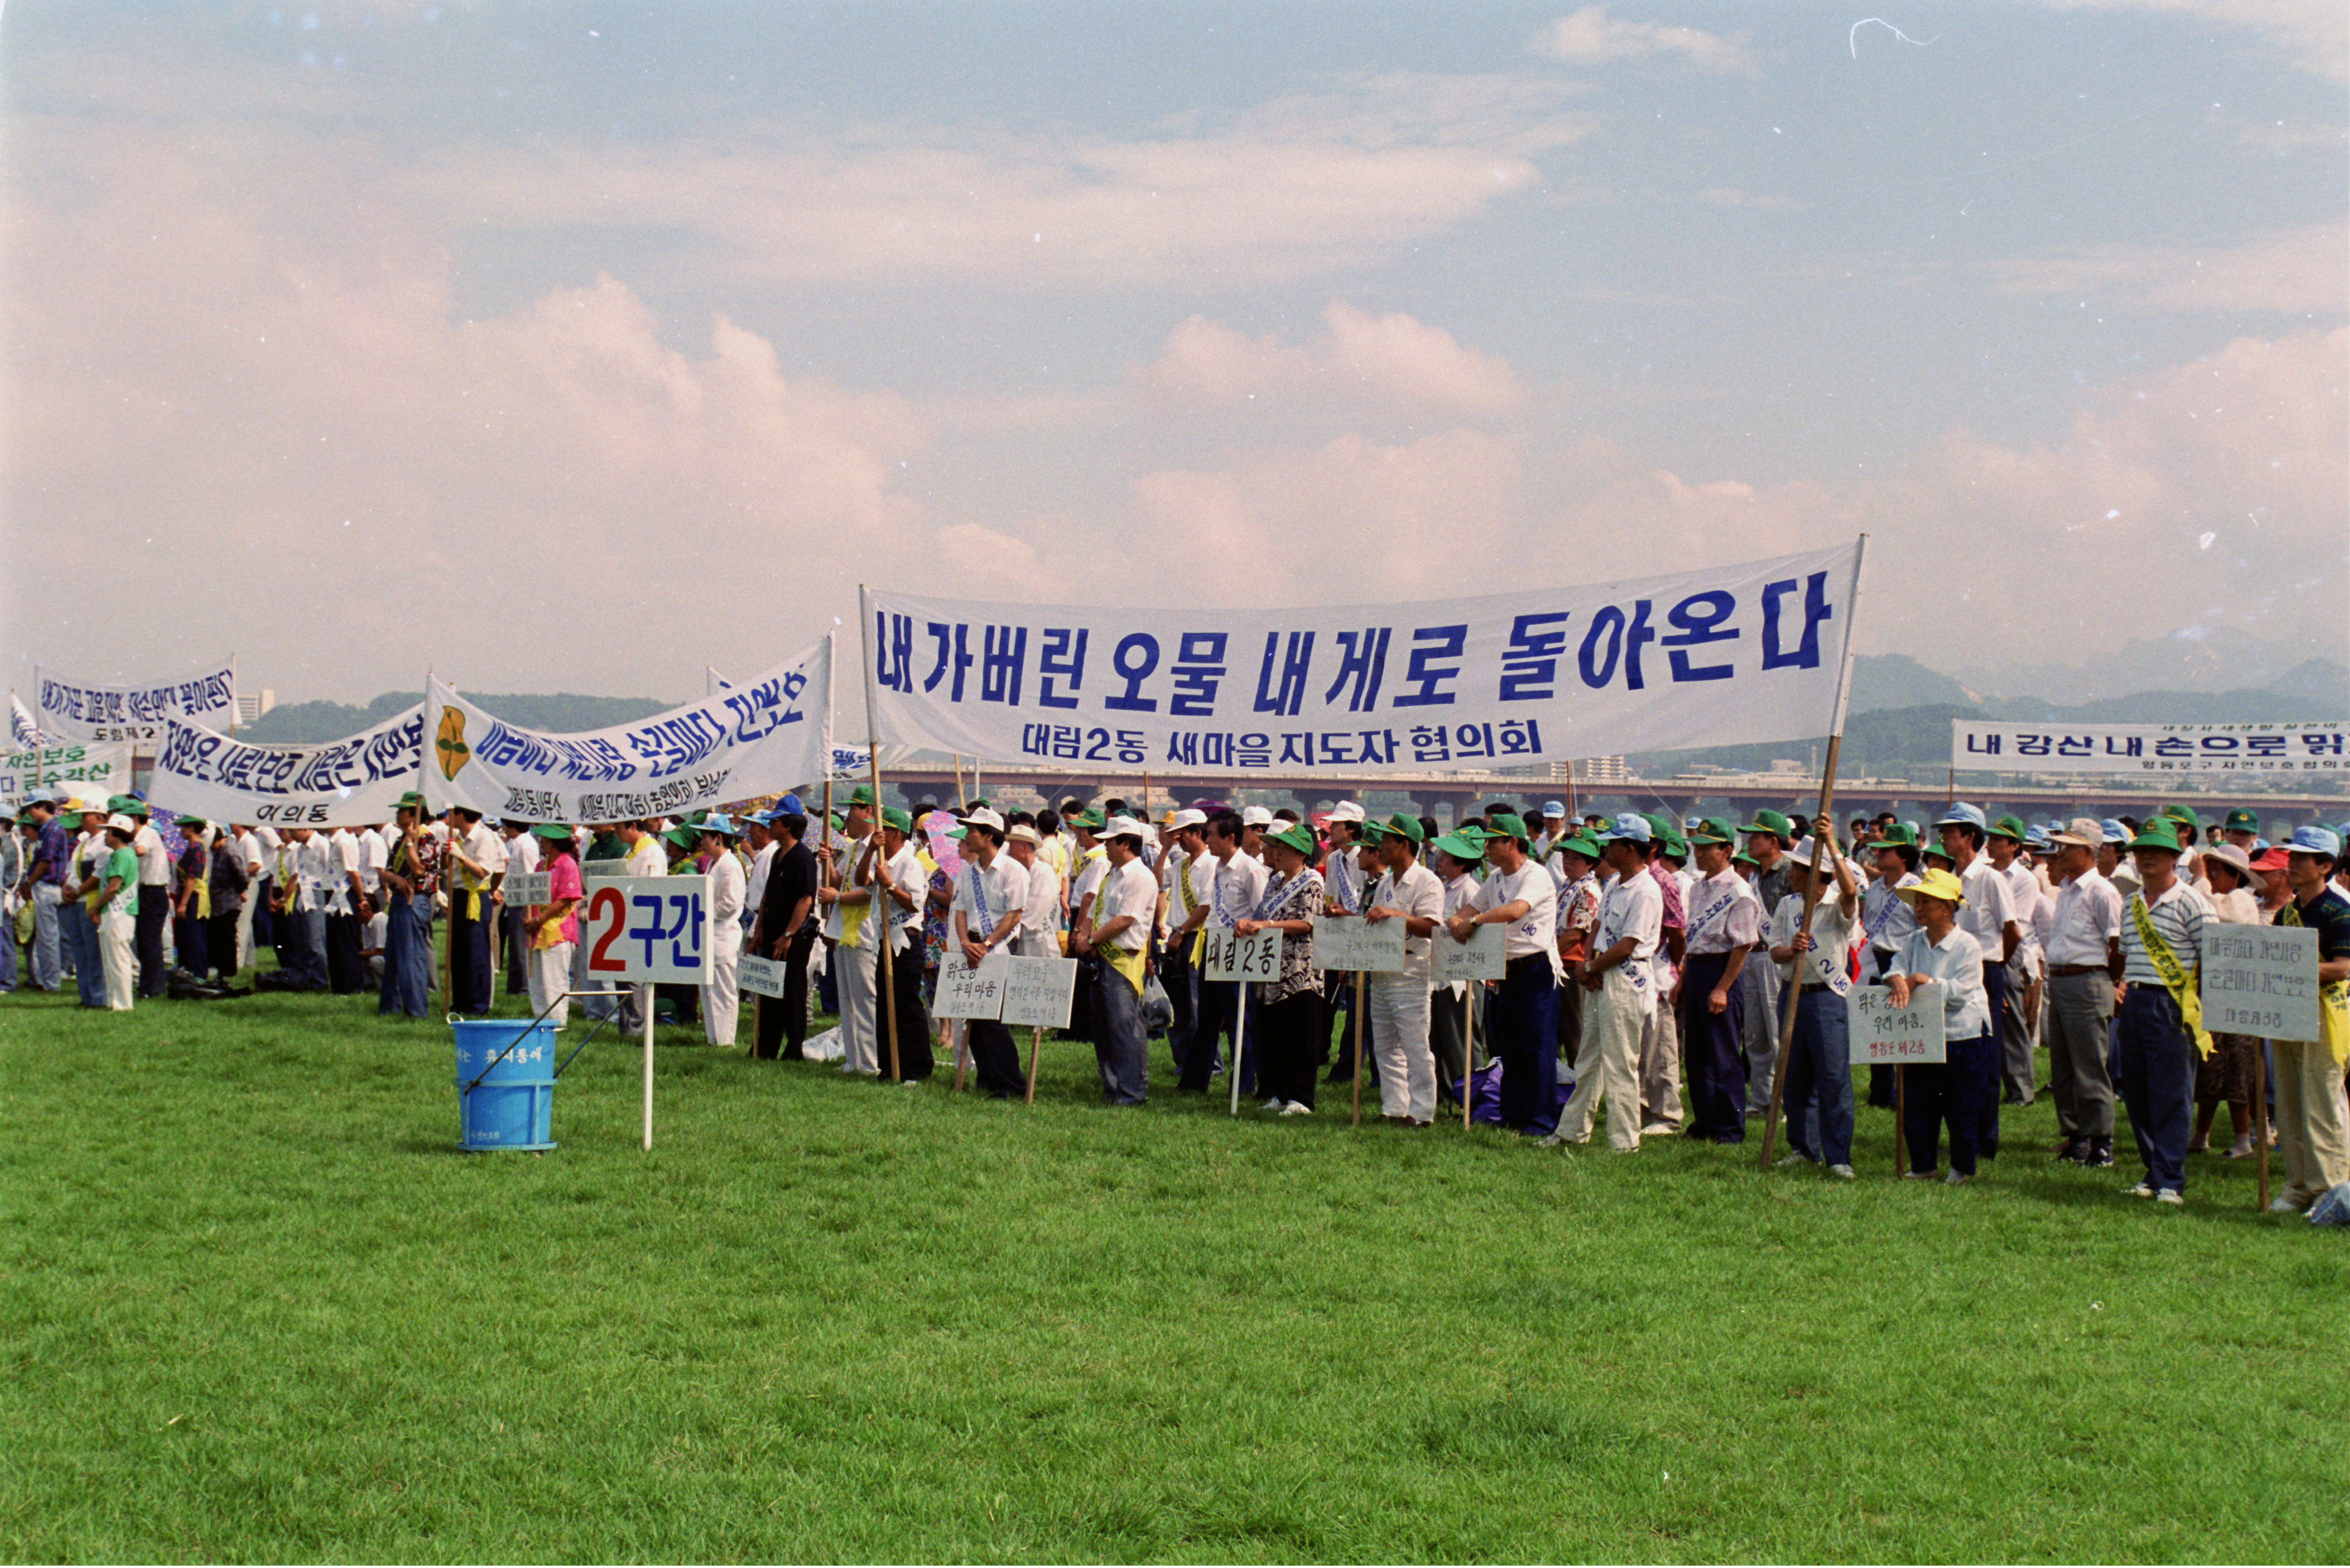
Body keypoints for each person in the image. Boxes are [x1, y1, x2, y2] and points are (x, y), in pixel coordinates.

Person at [1549, 814, 1661, 1152]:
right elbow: (1597, 927)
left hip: (1627, 978)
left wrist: (1591, 967)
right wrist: (1589, 965)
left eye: (1612, 843)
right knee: (1589, 1059)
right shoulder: (1613, 883)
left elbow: (1628, 944)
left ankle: (1624, 1141)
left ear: (1629, 849)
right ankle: (1571, 1131)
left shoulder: (1646, 890)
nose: (1606, 848)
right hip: (1600, 973)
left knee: (1621, 1062)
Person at [1448, 812, 1561, 1139]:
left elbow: (1514, 911)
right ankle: (1513, 1115)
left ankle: (1540, 1121)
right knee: (1510, 1047)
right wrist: (1458, 922)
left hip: (1536, 968)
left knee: (1538, 1049)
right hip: (1506, 969)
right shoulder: (1495, 878)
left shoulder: (1534, 875)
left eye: (1492, 842)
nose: (1487, 849)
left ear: (1511, 843)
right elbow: (1468, 909)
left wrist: (1475, 922)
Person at [2113, 818, 2204, 1205]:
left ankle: (2171, 1179)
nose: (2148, 857)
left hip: (2171, 1005)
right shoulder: (2131, 903)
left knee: (2171, 1095)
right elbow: (2125, 956)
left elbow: (2210, 958)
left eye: (2158, 851)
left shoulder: (2192, 901)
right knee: (2137, 1092)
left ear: (2175, 857)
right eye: (2141, 851)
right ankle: (2154, 1171)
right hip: (2134, 1002)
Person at [1766, 819, 1862, 1178]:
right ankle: (1803, 1148)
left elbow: (1852, 892)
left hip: (1826, 998)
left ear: (1814, 873)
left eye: (1798, 869)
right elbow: (1774, 952)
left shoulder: (1838, 904)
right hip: (1792, 993)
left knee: (1833, 1078)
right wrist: (1789, 950)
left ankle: (1838, 1156)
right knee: (1795, 1078)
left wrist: (1833, 845)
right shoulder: (1788, 906)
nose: (1791, 874)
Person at [1886, 868, 1994, 1183]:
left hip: (1963, 1036)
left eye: (1925, 902)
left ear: (1947, 908)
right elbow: (1896, 967)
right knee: (1919, 1104)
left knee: (1962, 1105)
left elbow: (1960, 993)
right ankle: (1923, 1165)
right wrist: (1896, 980)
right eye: (1917, 902)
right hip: (1922, 1034)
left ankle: (1960, 1168)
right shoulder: (1915, 941)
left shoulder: (1968, 945)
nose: (1917, 908)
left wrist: (1924, 980)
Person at [2268, 826, 2350, 1213]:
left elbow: (2342, 968)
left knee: (2322, 1103)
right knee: (2290, 1101)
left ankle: (2331, 1189)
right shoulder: (2287, 912)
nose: (2293, 864)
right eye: (2292, 857)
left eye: (2303, 858)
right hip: (2288, 1011)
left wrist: (2293, 966)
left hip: (2326, 1014)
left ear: (2326, 866)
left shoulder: (2340, 910)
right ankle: (2299, 1184)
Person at [1934, 804, 2020, 1159]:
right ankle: (1957, 1135)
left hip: (1985, 970)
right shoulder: (1949, 879)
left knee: (1983, 1059)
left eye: (1951, 832)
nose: (1944, 838)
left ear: (1970, 836)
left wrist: (1995, 972)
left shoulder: (1991, 879)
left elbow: (2011, 931)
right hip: (1950, 971)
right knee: (1949, 1054)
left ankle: (1984, 1141)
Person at [2040, 817, 2122, 1166]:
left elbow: (2116, 945)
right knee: (2063, 1067)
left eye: (2068, 847)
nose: (2061, 853)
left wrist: (2108, 982)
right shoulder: (2069, 890)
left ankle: (2101, 1141)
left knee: (2089, 1065)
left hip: (2087, 980)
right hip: (2061, 981)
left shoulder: (2102, 891)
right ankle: (2076, 1137)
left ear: (2088, 852)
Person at [1679, 817, 1761, 1143]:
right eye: (1696, 848)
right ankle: (1705, 1122)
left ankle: (1730, 1127)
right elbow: (1692, 939)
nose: (1699, 854)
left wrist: (1722, 988)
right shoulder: (1698, 887)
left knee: (1724, 1054)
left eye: (1706, 848)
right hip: (1698, 967)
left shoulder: (1738, 891)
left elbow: (1742, 945)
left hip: (1722, 970)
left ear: (1727, 850)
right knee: (1697, 1055)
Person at [1235, 821, 1326, 1114]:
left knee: (1298, 1035)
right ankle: (1279, 1092)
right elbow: (1262, 913)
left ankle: (1301, 1097)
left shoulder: (1312, 881)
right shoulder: (1275, 882)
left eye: (1284, 849)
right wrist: (1250, 924)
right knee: (1274, 1034)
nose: (1276, 854)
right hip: (1271, 969)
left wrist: (1269, 925)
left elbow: (1307, 922)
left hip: (1300, 971)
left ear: (1301, 853)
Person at [1361, 812, 1443, 1126]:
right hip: (1383, 968)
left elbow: (1432, 927)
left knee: (1416, 1045)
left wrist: (1394, 915)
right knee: (1385, 1044)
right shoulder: (1384, 883)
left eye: (1386, 840)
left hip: (1412, 969)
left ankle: (1422, 1112)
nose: (1380, 845)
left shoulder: (1427, 881)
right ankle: (1394, 1106)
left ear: (1404, 845)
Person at [1072, 814, 1155, 1105]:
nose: (1105, 846)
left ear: (1125, 843)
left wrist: (1092, 940)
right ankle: (1112, 1087)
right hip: (1101, 959)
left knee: (1124, 1029)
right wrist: (1084, 936)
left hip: (1123, 960)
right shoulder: (1112, 875)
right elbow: (1096, 911)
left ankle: (1131, 1092)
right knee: (1105, 1029)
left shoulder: (1141, 877)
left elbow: (1124, 920)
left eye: (1110, 841)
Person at [2189, 842, 2265, 1160]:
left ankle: (2242, 1139)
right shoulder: (2220, 896)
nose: (2212, 877)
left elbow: (2212, 915)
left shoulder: (2241, 902)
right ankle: (2201, 1135)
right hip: (2212, 994)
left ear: (2235, 876)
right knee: (2210, 1067)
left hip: (2237, 999)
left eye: (2217, 872)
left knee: (2237, 1070)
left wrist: (2199, 879)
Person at [1181, 809, 1265, 1094]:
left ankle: (1243, 1085)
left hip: (1239, 952)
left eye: (1212, 835)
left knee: (1239, 1021)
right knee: (1206, 1018)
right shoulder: (1217, 867)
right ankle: (1195, 1082)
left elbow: (1260, 913)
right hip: (1214, 947)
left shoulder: (1251, 870)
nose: (1208, 840)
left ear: (1231, 837)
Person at [948, 807, 1028, 1098]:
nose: (967, 836)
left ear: (989, 836)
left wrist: (987, 944)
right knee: (974, 1018)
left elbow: (1014, 914)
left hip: (995, 950)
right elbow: (959, 910)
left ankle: (1010, 1082)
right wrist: (965, 942)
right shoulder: (968, 873)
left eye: (972, 831)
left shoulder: (1013, 871)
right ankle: (987, 1078)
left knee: (993, 1022)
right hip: (970, 949)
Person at [1737, 810, 1798, 1121]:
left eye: (1756, 837)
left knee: (1777, 1032)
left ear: (1773, 841)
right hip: (1752, 956)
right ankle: (1761, 1100)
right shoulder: (1752, 877)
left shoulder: (1790, 872)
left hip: (1778, 959)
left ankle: (1785, 1100)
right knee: (1756, 1036)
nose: (1749, 842)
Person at [1861, 824, 1922, 1107]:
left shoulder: (1915, 889)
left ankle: (1907, 1093)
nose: (1879, 853)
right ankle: (1881, 1094)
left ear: (1904, 856)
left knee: (1905, 1031)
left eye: (1887, 850)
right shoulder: (1874, 888)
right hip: (1874, 961)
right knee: (1877, 1029)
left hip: (1903, 964)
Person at [1986, 815, 2046, 1106]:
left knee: (2012, 1022)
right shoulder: (1985, 872)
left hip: (2009, 952)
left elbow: (2015, 924)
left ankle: (2021, 1091)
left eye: (1999, 839)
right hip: (1986, 950)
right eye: (1991, 838)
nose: (1992, 844)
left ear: (2014, 846)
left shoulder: (2025, 879)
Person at [750, 811, 819, 1060]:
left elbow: (805, 899)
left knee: (792, 990)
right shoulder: (777, 856)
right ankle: (765, 1046)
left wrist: (789, 934)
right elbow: (767, 897)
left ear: (788, 827)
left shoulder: (802, 858)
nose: (770, 826)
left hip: (793, 937)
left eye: (775, 822)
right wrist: (758, 931)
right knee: (769, 990)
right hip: (771, 930)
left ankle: (794, 1047)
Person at [1428, 830, 1486, 1107]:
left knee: (1461, 1038)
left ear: (1462, 862)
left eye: (1446, 855)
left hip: (1462, 978)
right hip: (1441, 973)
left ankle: (1472, 1097)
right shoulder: (1445, 886)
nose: (1440, 859)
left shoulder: (1470, 890)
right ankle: (1445, 1095)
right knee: (1440, 1037)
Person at [377, 793, 440, 1019]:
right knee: (393, 955)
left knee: (411, 956)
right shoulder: (400, 839)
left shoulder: (426, 838)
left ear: (414, 813)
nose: (397, 814)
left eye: (402, 810)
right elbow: (386, 872)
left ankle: (416, 1010)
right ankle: (390, 1007)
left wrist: (412, 843)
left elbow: (420, 870)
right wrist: (395, 880)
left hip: (417, 900)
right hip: (399, 899)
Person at [442, 807, 505, 1014]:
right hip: (458, 895)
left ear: (461, 815)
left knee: (476, 953)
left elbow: (482, 871)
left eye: (452, 814)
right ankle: (460, 1001)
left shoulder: (484, 837)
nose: (448, 819)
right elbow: (445, 868)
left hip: (475, 897)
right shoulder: (459, 837)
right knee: (458, 953)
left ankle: (477, 1004)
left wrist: (460, 856)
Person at [523, 823, 581, 1027]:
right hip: (538, 932)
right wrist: (531, 918)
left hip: (558, 932)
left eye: (545, 839)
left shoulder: (568, 865)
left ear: (555, 842)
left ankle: (557, 1022)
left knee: (554, 981)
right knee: (537, 981)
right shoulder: (542, 866)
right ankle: (540, 1021)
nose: (541, 843)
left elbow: (567, 898)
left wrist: (540, 918)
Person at [696, 815, 746, 1047]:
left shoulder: (731, 866)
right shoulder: (714, 865)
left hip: (723, 936)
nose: (702, 841)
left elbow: (730, 903)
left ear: (718, 838)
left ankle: (725, 1040)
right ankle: (712, 1037)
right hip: (709, 936)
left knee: (724, 992)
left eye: (705, 836)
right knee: (708, 991)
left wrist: (703, 913)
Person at [116, 798, 170, 998]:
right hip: (142, 892)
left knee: (150, 941)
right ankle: (148, 985)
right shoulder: (136, 837)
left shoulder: (149, 834)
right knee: (143, 941)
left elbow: (141, 850)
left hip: (154, 892)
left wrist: (124, 851)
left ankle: (154, 987)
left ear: (136, 818)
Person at [88, 813, 140, 1011]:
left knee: (118, 959)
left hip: (119, 912)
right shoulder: (121, 855)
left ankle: (122, 1004)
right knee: (113, 959)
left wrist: (96, 906)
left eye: (108, 831)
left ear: (117, 834)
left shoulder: (123, 855)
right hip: (116, 913)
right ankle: (115, 1001)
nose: (105, 835)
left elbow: (113, 887)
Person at [23, 797, 66, 992]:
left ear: (42, 807)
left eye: (32, 808)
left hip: (48, 885)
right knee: (45, 937)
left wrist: (30, 882)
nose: (29, 813)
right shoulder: (45, 830)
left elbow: (46, 861)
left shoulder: (54, 829)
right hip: (42, 886)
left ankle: (51, 983)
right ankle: (46, 980)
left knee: (48, 938)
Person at [170, 816, 214, 982]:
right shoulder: (193, 847)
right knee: (187, 935)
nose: (181, 831)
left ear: (191, 828)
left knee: (195, 935)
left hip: (193, 896)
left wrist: (183, 904)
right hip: (188, 895)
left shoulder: (197, 847)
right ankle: (188, 968)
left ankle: (199, 972)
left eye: (184, 827)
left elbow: (192, 878)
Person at [205, 819, 248, 981]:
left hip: (229, 902)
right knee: (216, 937)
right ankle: (218, 968)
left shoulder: (230, 852)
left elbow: (242, 876)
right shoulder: (215, 853)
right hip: (216, 902)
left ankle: (229, 971)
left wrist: (238, 891)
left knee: (227, 938)